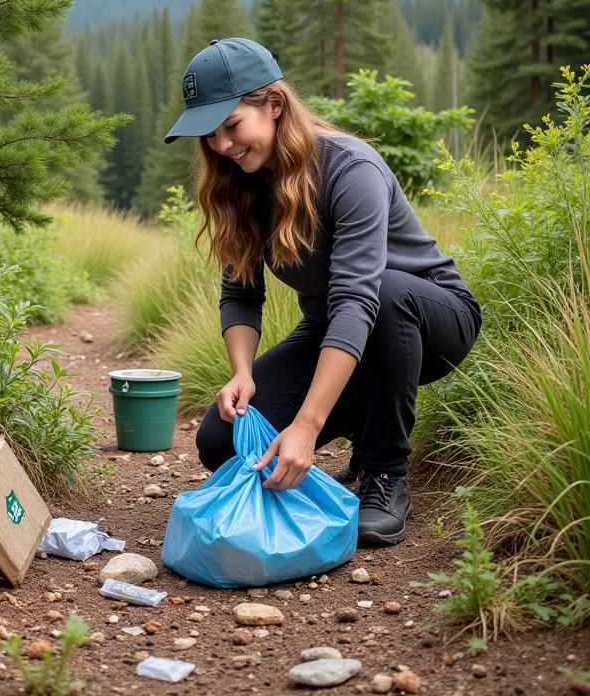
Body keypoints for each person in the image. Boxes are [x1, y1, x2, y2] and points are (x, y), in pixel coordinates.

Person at [164, 38, 481, 546]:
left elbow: (358, 299)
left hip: (430, 318)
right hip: (335, 326)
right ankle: (362, 420)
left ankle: (385, 473)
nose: (222, 146)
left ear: (274, 104)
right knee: (221, 443)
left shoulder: (351, 167)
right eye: (210, 134)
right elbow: (241, 294)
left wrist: (308, 426)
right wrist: (242, 374)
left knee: (385, 292)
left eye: (231, 126)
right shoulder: (239, 184)